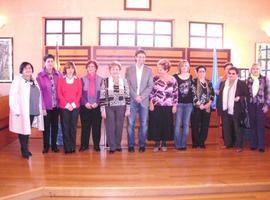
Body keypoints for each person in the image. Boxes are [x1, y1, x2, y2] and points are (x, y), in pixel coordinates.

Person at [9, 62, 44, 159]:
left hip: (32, 109)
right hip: (22, 111)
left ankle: (25, 148)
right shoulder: (18, 80)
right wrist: (15, 109)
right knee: (22, 130)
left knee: (27, 130)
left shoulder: (34, 80)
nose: (28, 70)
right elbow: (13, 96)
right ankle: (24, 150)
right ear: (22, 70)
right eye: (26, 68)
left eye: (30, 68)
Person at [126, 49, 153, 153]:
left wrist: (141, 96)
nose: (142, 59)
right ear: (135, 57)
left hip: (144, 101)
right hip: (132, 100)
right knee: (130, 124)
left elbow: (150, 85)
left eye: (143, 57)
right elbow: (127, 84)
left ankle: (142, 145)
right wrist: (135, 96)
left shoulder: (148, 70)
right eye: (140, 57)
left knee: (144, 124)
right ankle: (131, 145)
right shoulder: (129, 69)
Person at [100, 61, 130, 154]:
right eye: (113, 69)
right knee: (110, 127)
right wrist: (102, 110)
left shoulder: (124, 81)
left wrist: (128, 108)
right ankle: (112, 147)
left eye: (117, 69)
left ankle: (118, 145)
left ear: (119, 70)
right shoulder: (105, 81)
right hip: (109, 107)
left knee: (119, 126)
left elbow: (127, 95)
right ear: (110, 70)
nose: (115, 71)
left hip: (121, 106)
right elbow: (102, 95)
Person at [148, 59, 178, 152]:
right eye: (158, 69)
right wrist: (151, 103)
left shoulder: (173, 79)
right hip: (156, 105)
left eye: (161, 69)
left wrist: (174, 106)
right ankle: (157, 143)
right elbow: (151, 92)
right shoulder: (155, 78)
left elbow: (175, 94)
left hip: (168, 106)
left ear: (166, 69)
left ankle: (164, 143)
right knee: (156, 124)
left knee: (166, 124)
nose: (159, 71)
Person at [217, 67, 248, 152]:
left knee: (237, 128)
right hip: (225, 109)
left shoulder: (241, 84)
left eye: (233, 73)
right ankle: (228, 143)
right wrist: (219, 108)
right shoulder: (223, 83)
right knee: (226, 128)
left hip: (236, 109)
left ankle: (239, 146)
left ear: (237, 74)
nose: (231, 75)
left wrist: (240, 98)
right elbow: (220, 96)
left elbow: (246, 96)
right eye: (229, 73)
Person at [37, 54, 61, 154]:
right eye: (48, 61)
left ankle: (54, 146)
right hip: (46, 107)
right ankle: (46, 146)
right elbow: (40, 93)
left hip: (57, 106)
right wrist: (42, 107)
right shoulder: (40, 76)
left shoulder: (58, 74)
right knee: (46, 128)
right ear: (45, 63)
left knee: (55, 126)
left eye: (52, 61)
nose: (50, 63)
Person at [58, 62, 82, 154]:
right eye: (68, 68)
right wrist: (68, 105)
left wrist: (73, 104)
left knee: (73, 127)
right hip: (64, 107)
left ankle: (72, 147)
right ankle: (67, 147)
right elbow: (59, 94)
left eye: (72, 68)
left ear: (74, 69)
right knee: (65, 127)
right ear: (65, 70)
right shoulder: (61, 80)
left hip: (75, 107)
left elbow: (79, 94)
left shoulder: (78, 80)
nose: (70, 70)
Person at [79, 60, 103, 152]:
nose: (90, 68)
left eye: (92, 66)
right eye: (89, 67)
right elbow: (80, 93)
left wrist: (97, 102)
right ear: (86, 68)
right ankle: (84, 145)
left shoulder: (101, 79)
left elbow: (102, 93)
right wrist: (86, 103)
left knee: (96, 126)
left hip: (97, 106)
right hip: (85, 106)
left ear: (96, 68)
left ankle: (96, 145)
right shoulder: (82, 79)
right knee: (85, 126)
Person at [246, 63, 270, 152]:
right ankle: (253, 144)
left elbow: (268, 92)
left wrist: (267, 105)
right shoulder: (248, 80)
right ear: (251, 70)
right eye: (254, 69)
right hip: (251, 105)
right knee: (252, 125)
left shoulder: (264, 79)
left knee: (260, 125)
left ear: (260, 70)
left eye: (257, 69)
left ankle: (261, 146)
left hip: (261, 106)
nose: (255, 70)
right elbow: (246, 94)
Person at [191, 65, 215, 148]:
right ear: (197, 73)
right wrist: (199, 104)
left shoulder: (209, 83)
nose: (202, 73)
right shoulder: (193, 82)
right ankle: (195, 143)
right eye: (200, 71)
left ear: (205, 73)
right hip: (196, 107)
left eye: (203, 71)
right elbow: (192, 94)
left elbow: (212, 94)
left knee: (205, 125)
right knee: (195, 125)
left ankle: (201, 142)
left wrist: (209, 103)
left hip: (207, 107)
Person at [173, 59, 194, 150]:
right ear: (180, 67)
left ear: (188, 67)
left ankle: (183, 144)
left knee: (186, 124)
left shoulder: (191, 76)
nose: (184, 67)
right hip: (178, 104)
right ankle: (177, 144)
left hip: (189, 104)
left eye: (186, 66)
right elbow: (173, 91)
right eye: (182, 66)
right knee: (177, 124)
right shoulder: (175, 77)